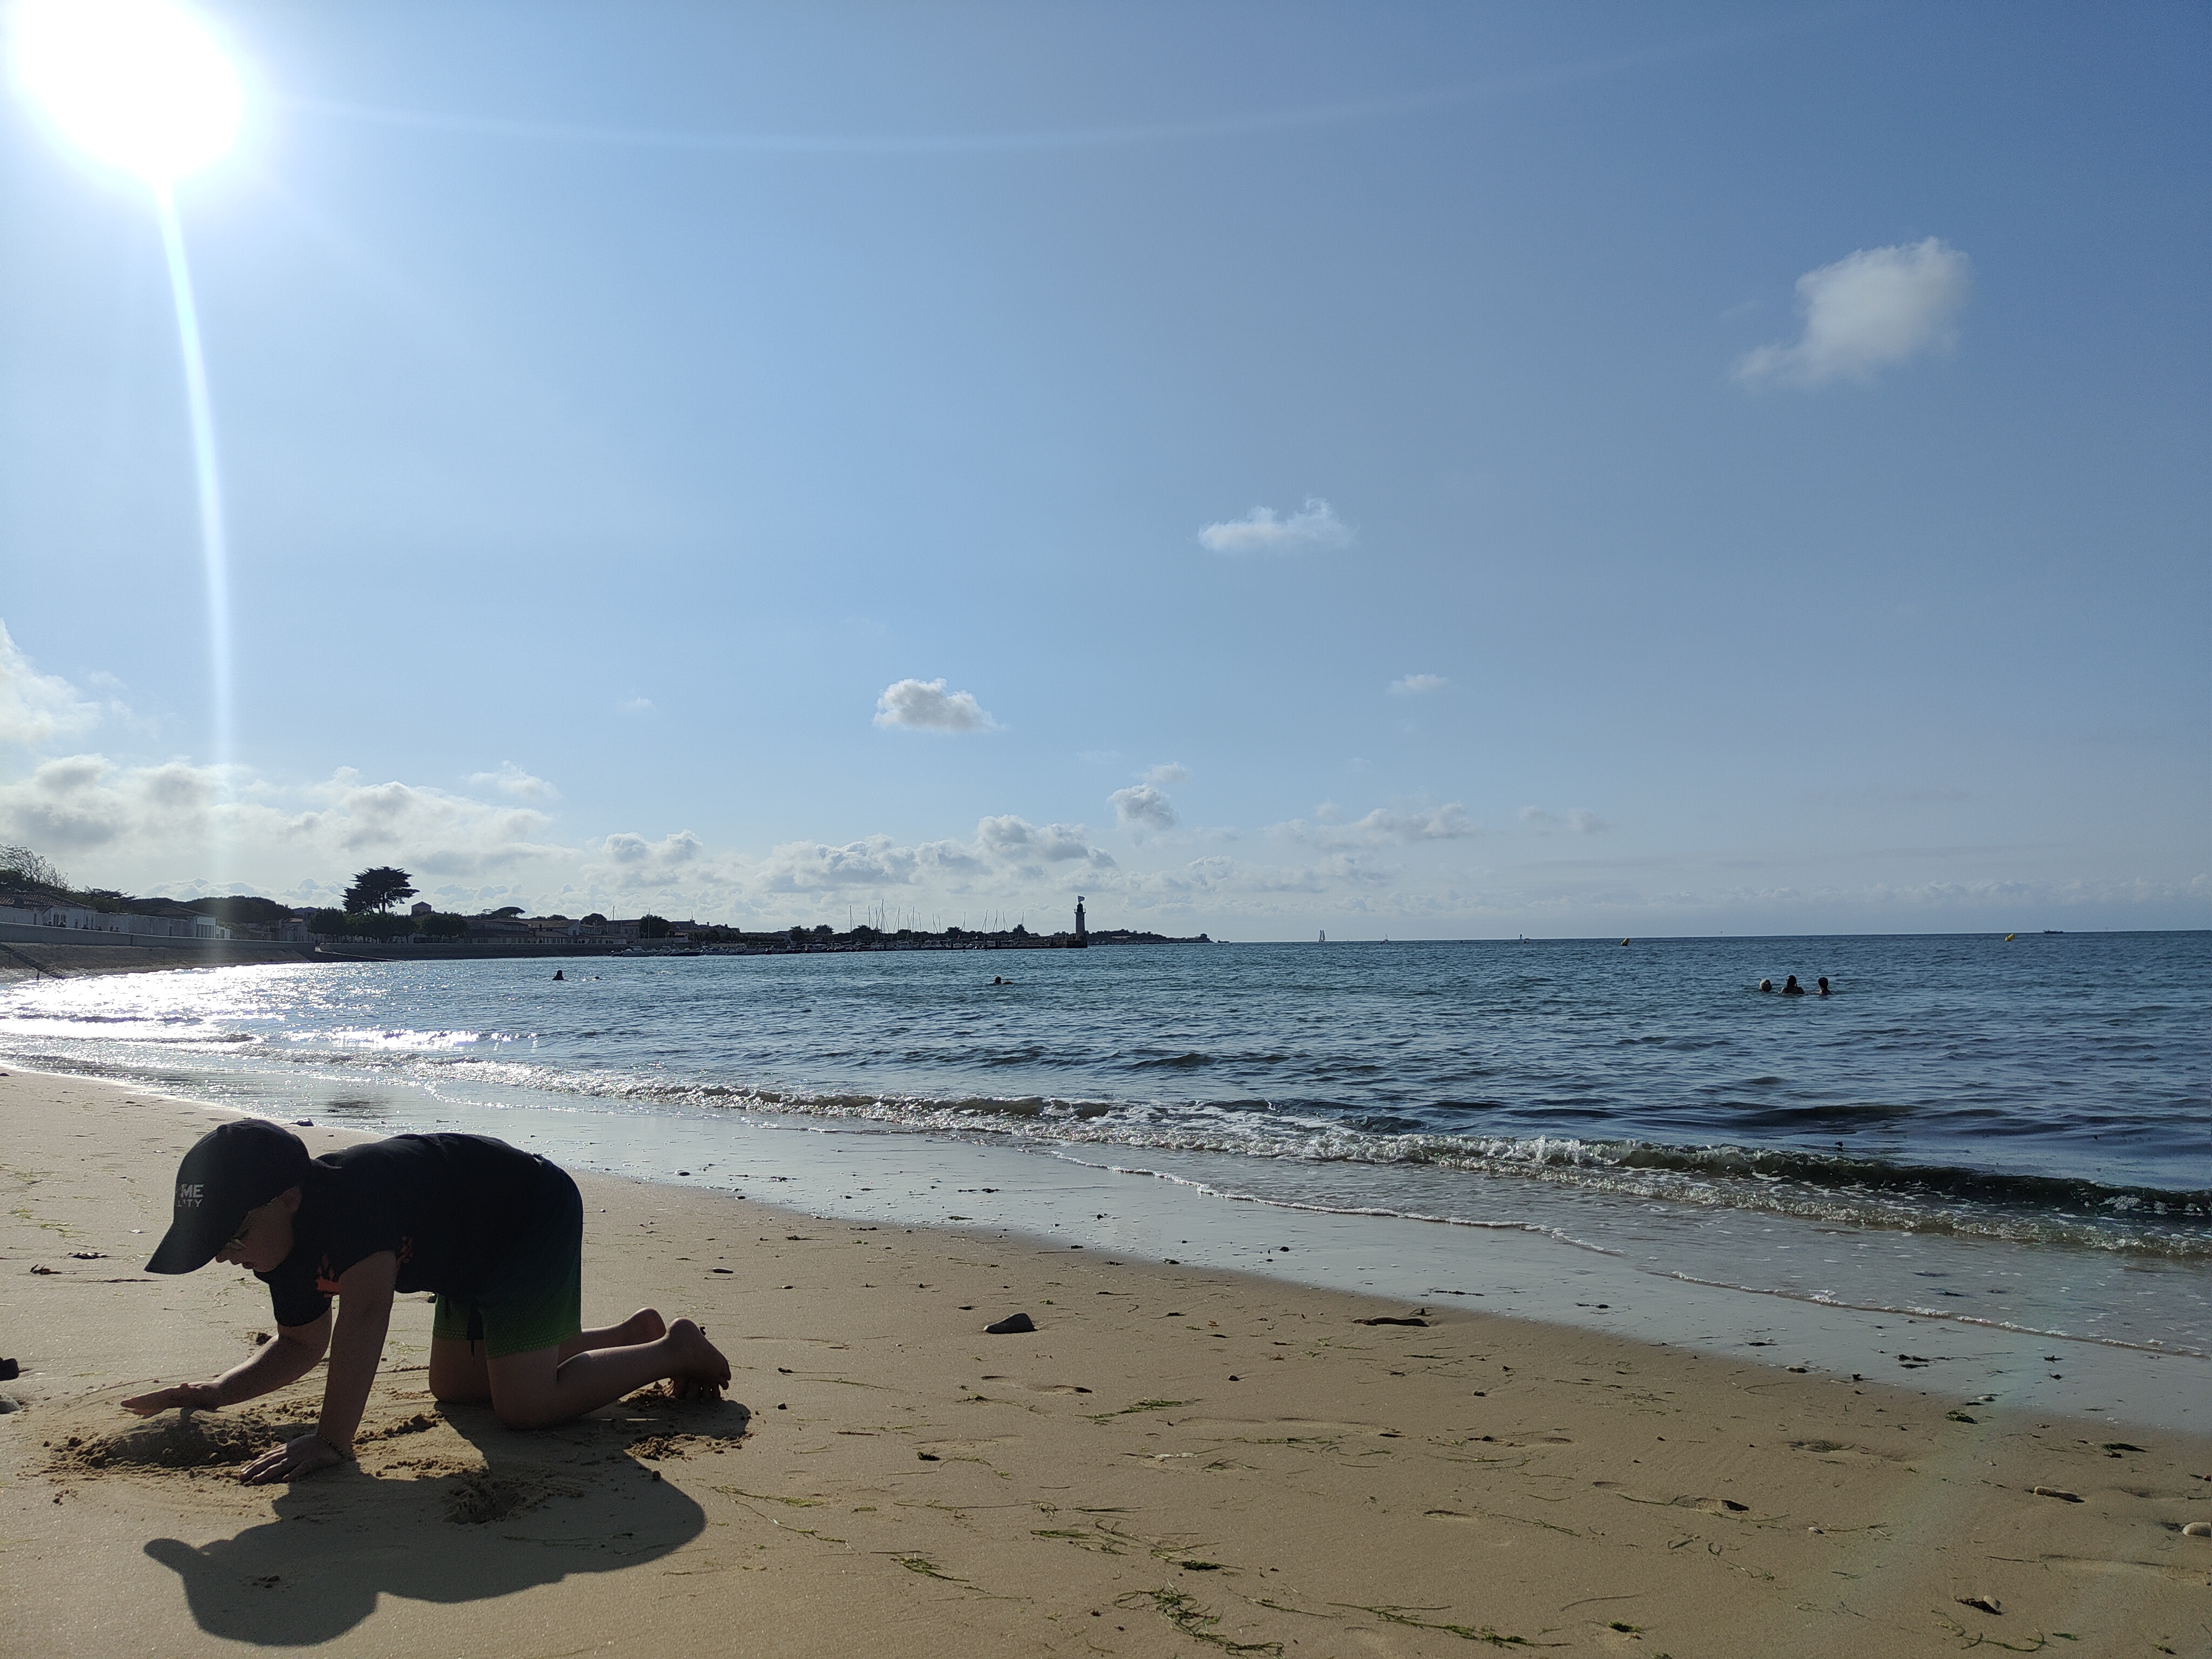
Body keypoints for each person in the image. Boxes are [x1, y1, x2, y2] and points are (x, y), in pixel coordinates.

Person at [123, 1118, 730, 1485]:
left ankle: (674, 1348)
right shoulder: (277, 1250)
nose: (228, 1255)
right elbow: (302, 1344)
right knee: (457, 1390)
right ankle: (626, 1336)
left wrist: (333, 1440)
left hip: (524, 1217)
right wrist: (217, 1392)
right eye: (216, 1245)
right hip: (462, 1257)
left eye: (233, 1236)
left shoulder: (351, 1205)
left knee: (524, 1407)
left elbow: (365, 1317)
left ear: (288, 1198)